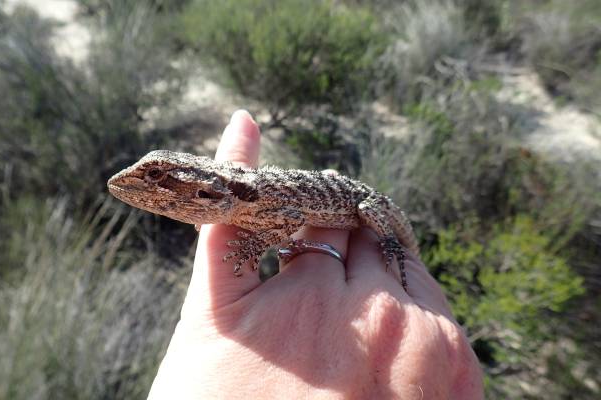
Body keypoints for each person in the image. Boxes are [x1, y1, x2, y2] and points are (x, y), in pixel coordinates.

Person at [147, 110, 484, 399]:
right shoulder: (235, 199)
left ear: (207, 186)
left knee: (370, 212)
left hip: (360, 205)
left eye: (157, 176)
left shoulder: (249, 200)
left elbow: (292, 219)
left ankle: (392, 246)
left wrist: (254, 244)